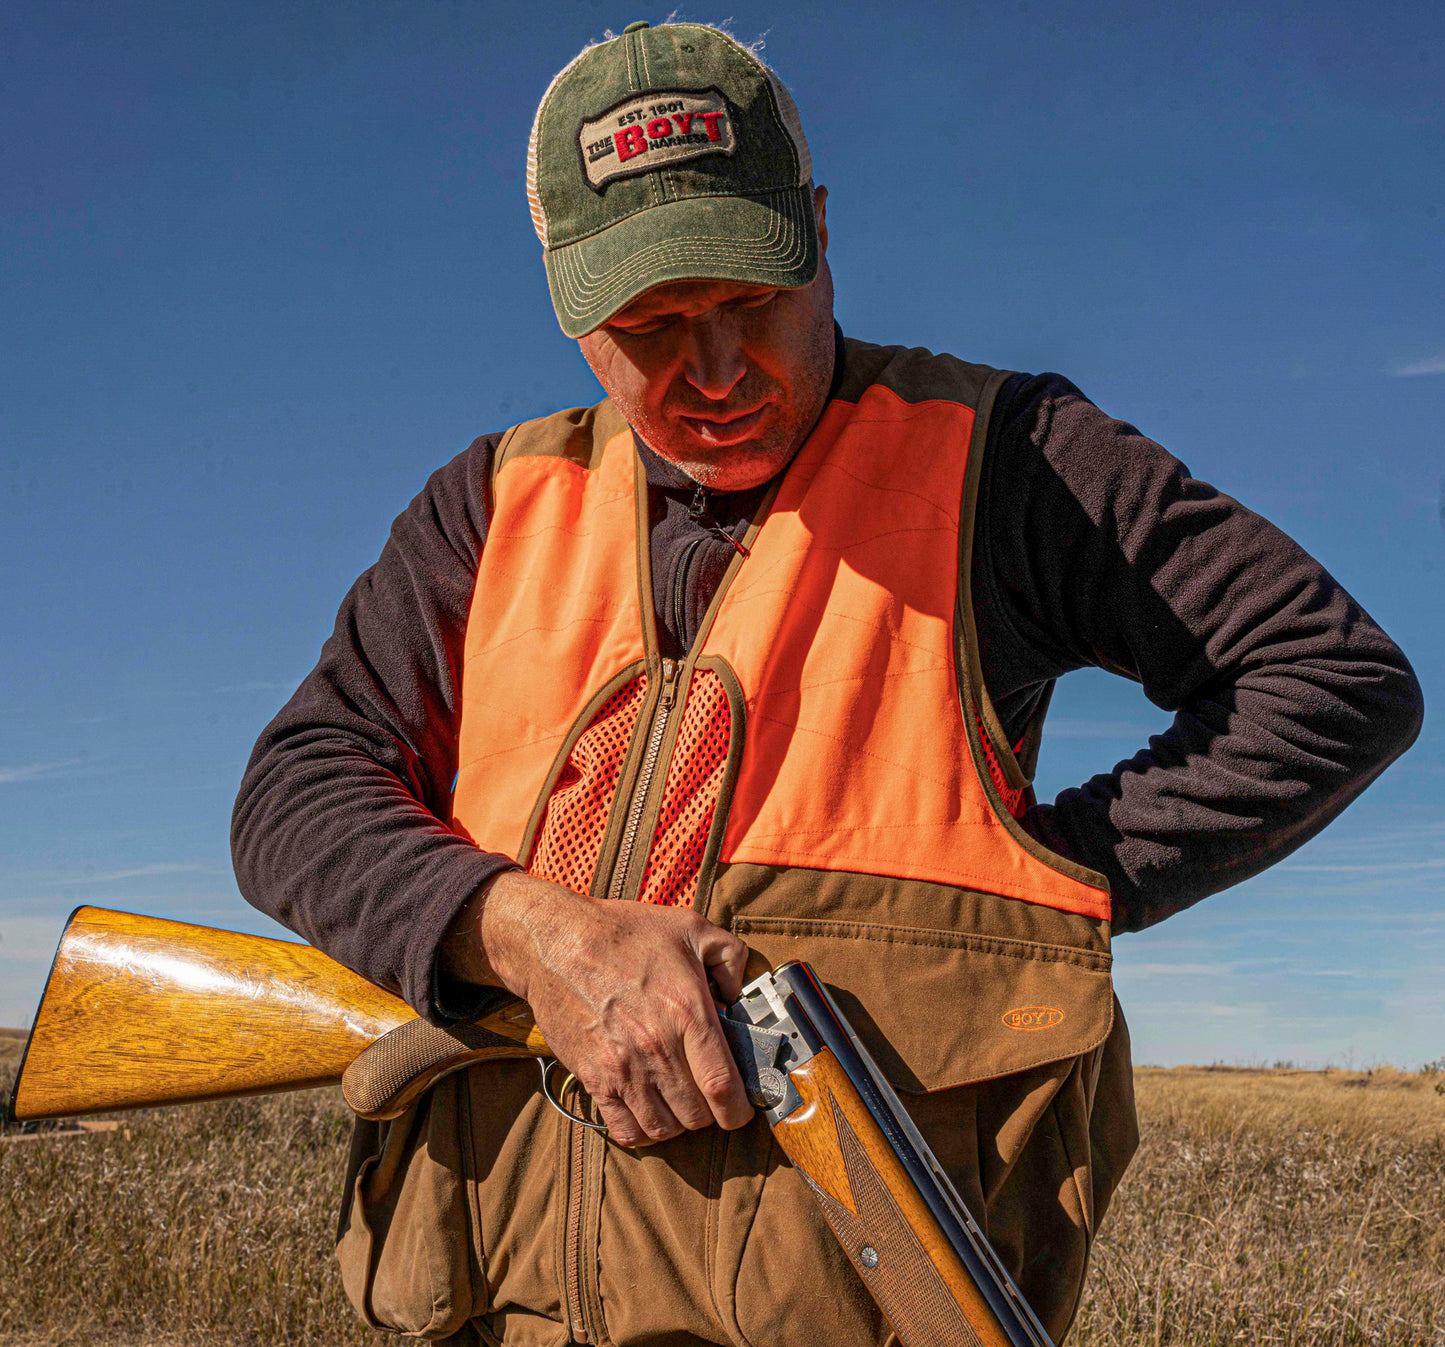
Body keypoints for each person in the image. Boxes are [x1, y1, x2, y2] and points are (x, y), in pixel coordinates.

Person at [231, 20, 1423, 1347]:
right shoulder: (492, 503)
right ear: (564, 302)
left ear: (816, 228)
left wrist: (1036, 885)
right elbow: (297, 789)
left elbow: (1330, 679)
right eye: (649, 324)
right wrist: (526, 934)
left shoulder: (1004, 458)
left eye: (751, 298)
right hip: (487, 1306)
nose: (717, 372)